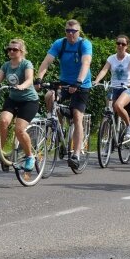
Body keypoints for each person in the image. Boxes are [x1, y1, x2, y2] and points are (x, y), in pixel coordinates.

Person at [35, 19, 92, 168]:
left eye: (73, 31)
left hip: (81, 85)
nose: (70, 34)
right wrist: (39, 78)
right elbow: (47, 61)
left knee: (77, 116)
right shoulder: (60, 43)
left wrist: (78, 81)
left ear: (79, 32)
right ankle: (56, 127)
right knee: (49, 96)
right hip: (64, 83)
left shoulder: (84, 44)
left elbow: (86, 63)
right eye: (68, 31)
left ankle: (76, 154)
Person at [0, 39, 40, 171]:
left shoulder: (26, 64)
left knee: (19, 130)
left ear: (21, 51)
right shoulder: (6, 66)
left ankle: (30, 157)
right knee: (3, 121)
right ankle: (0, 153)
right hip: (13, 99)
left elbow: (29, 79)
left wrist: (22, 86)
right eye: (9, 49)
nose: (11, 51)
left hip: (29, 101)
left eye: (14, 49)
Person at [94, 35, 130, 141]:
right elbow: (104, 70)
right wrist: (97, 80)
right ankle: (108, 137)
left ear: (127, 46)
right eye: (118, 43)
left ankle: (129, 125)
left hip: (126, 87)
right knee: (108, 111)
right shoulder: (111, 58)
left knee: (118, 105)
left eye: (123, 44)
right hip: (113, 87)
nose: (120, 46)